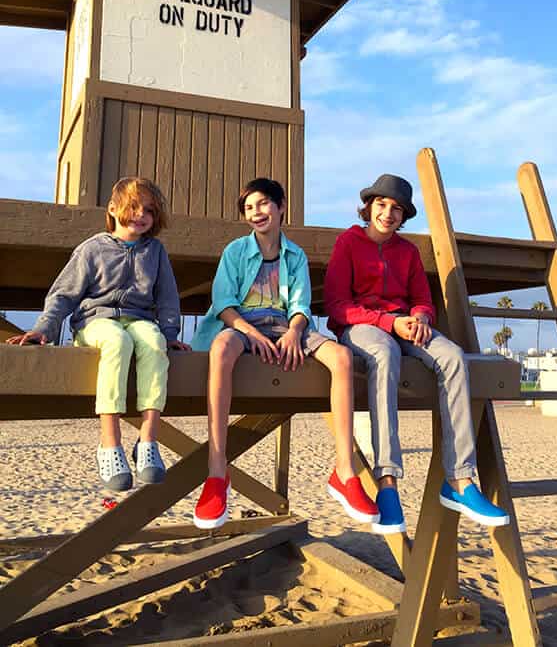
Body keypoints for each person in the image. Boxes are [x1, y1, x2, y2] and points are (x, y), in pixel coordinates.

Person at [324, 174, 510, 533]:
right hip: (362, 327)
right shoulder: (347, 242)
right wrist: (389, 324)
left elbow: (422, 299)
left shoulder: (407, 251)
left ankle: (459, 481)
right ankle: (387, 484)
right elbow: (337, 307)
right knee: (383, 352)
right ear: (369, 207)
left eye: (396, 209)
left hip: (406, 325)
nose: (388, 213)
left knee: (455, 357)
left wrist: (421, 317)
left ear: (403, 216)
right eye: (381, 205)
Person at [191, 177, 378, 530]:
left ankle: (344, 471)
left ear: (280, 207)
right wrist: (250, 334)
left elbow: (301, 303)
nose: (256, 212)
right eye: (248, 208)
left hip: (285, 325)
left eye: (262, 204)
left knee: (340, 358)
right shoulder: (234, 252)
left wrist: (294, 332)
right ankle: (217, 472)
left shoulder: (295, 255)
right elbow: (224, 305)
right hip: (244, 326)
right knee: (221, 348)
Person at [8, 177, 190, 491]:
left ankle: (148, 441)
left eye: (148, 209)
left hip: (139, 320)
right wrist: (43, 329)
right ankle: (110, 444)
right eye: (133, 206)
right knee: (117, 342)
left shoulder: (156, 252)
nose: (140, 214)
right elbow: (64, 295)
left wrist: (170, 332)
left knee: (154, 341)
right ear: (113, 208)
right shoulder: (92, 248)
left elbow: (167, 298)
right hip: (97, 322)